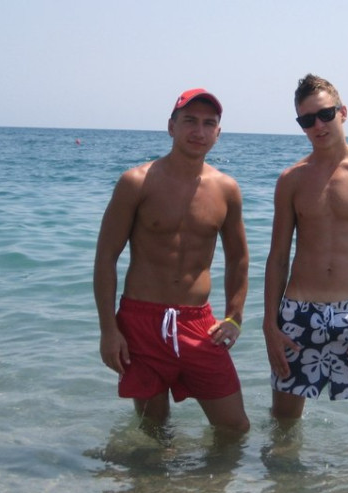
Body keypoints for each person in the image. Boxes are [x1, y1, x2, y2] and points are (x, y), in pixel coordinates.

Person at [94, 88, 250, 436]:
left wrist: (234, 316)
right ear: (171, 127)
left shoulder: (226, 189)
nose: (199, 131)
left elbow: (238, 257)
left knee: (234, 427)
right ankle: (156, 474)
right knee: (154, 428)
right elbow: (106, 257)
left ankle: (207, 476)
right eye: (189, 121)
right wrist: (109, 330)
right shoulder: (136, 182)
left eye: (208, 123)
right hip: (141, 321)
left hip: (198, 324)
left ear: (218, 133)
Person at [263, 74, 348, 434]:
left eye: (325, 114)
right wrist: (269, 325)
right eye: (307, 120)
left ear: (343, 112)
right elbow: (278, 257)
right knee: (283, 428)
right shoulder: (291, 180)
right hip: (297, 315)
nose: (318, 126)